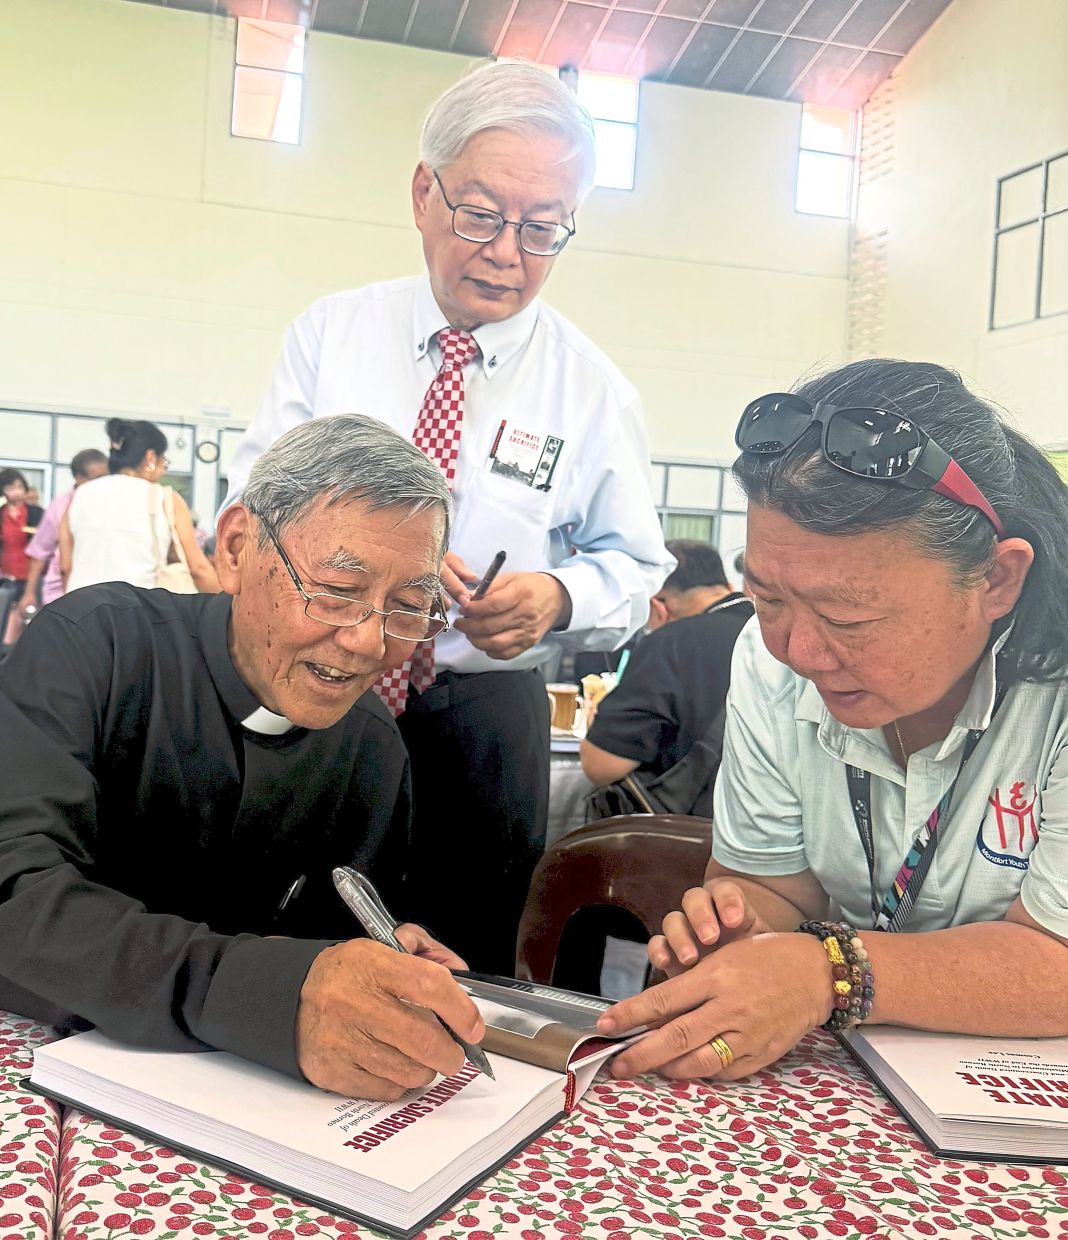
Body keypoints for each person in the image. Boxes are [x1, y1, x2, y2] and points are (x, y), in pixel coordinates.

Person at [219, 62, 672, 972]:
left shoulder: (590, 389)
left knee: (473, 946)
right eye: (481, 214)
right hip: (324, 684)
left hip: (480, 708)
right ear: (424, 192)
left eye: (544, 229)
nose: (508, 251)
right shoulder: (332, 336)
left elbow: (637, 565)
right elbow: (251, 502)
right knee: (293, 927)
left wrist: (557, 593)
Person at [598, 359, 1068, 1084]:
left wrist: (828, 972)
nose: (799, 652)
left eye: (851, 618)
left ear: (997, 579)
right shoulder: (766, 655)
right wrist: (740, 927)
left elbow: (1056, 964)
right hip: (852, 1082)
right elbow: (777, 887)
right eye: (767, 597)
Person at [0, 414, 484, 1101]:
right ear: (235, 549)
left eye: (409, 607)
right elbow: (14, 893)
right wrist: (267, 995)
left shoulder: (373, 746)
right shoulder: (94, 647)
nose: (369, 643)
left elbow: (321, 927)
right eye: (339, 593)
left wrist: (373, 962)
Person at [580, 543, 753, 814]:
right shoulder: (770, 633)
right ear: (728, 586)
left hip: (686, 835)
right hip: (772, 826)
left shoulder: (669, 643)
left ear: (657, 606)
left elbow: (601, 765)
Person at [18, 448, 108, 617]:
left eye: (106, 477)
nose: (102, 483)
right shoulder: (60, 507)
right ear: (79, 478)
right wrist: (29, 593)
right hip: (60, 594)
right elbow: (39, 554)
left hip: (101, 593)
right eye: (97, 478)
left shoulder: (111, 505)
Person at [0, 469, 44, 649]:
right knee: (6, 621)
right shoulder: (1, 513)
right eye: (11, 488)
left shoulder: (36, 513)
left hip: (31, 576)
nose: (17, 492)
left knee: (30, 619)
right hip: (6, 576)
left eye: (20, 487)